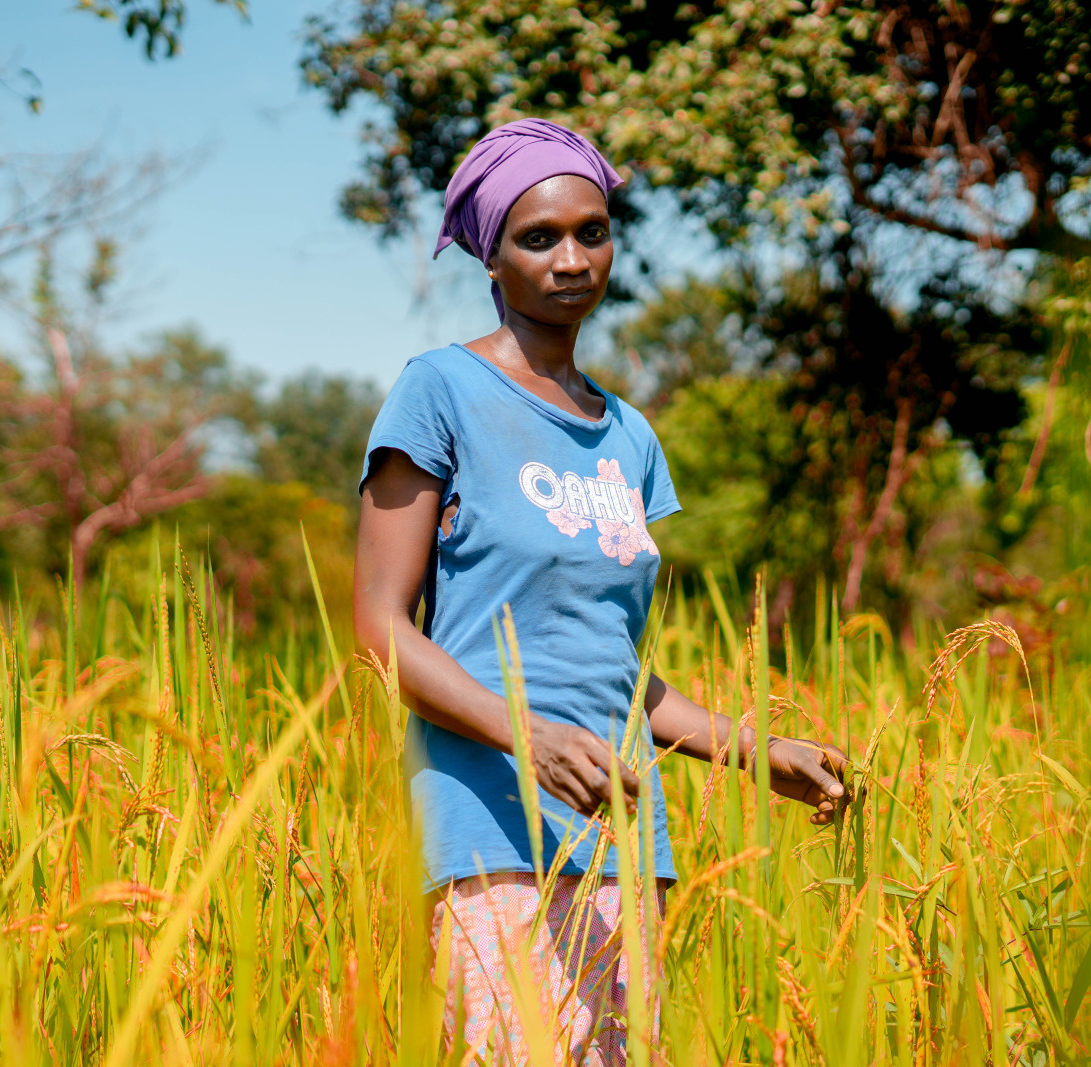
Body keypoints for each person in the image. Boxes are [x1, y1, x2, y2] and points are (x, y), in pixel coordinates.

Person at [353, 117, 849, 1066]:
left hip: (627, 832)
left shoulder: (629, 433)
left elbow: (618, 666)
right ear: (491, 258)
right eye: (539, 239)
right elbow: (378, 625)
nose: (572, 258)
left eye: (593, 231)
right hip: (490, 826)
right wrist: (525, 735)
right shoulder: (439, 391)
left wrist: (753, 747)